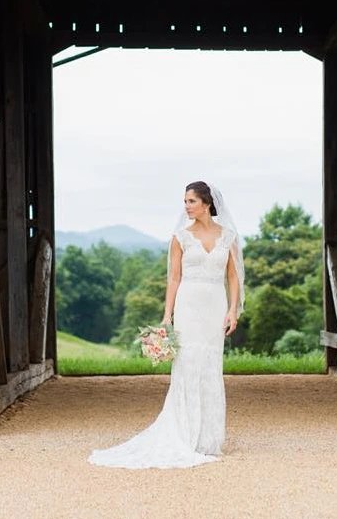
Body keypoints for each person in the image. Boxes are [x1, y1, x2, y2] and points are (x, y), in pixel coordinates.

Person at [88, 181, 245, 469]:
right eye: (185, 201)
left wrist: (233, 309)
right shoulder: (180, 237)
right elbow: (173, 278)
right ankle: (184, 435)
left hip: (215, 304)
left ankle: (208, 439)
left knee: (210, 365)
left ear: (207, 203)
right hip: (188, 304)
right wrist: (166, 316)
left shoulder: (229, 237)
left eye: (191, 201)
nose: (186, 206)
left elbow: (234, 277)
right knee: (187, 364)